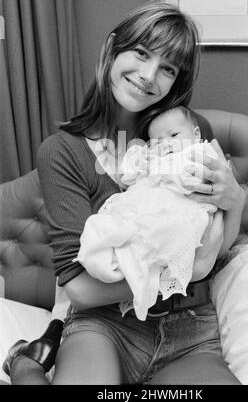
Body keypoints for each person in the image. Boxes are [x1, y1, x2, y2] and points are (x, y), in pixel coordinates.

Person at [2, 1, 245, 385]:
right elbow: (80, 290)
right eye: (141, 53)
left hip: (189, 327)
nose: (149, 76)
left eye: (167, 68)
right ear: (112, 49)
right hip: (105, 325)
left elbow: (214, 243)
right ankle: (26, 366)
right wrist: (182, 271)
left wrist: (237, 202)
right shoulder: (63, 152)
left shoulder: (188, 134)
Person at [75, 106, 226, 321]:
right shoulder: (154, 159)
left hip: (182, 208)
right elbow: (130, 179)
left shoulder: (201, 153)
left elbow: (209, 184)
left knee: (164, 233)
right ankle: (111, 258)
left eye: (174, 135)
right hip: (148, 203)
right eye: (157, 141)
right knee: (109, 221)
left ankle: (140, 265)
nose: (166, 143)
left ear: (195, 134)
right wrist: (146, 162)